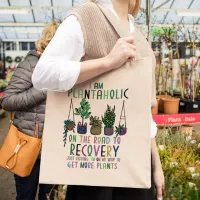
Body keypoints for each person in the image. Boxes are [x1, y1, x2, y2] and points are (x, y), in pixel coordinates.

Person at [32, 0, 165, 200]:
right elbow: (42, 74)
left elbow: (142, 111)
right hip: (96, 159)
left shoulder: (137, 33)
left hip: (135, 164)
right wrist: (107, 62)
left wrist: (156, 165)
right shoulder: (87, 16)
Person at [1, 22, 59, 200]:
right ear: (49, 41)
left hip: (55, 148)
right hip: (29, 144)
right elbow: (7, 100)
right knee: (26, 196)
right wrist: (43, 89)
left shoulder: (64, 68)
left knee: (49, 196)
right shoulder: (32, 63)